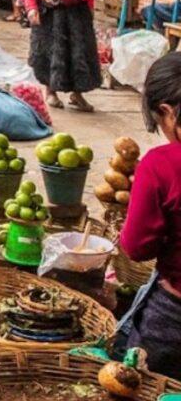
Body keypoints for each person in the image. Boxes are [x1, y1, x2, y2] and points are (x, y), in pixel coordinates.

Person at [119, 53, 181, 378]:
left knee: (137, 383)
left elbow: (137, 247)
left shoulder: (161, 164)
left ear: (167, 111)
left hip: (173, 320)